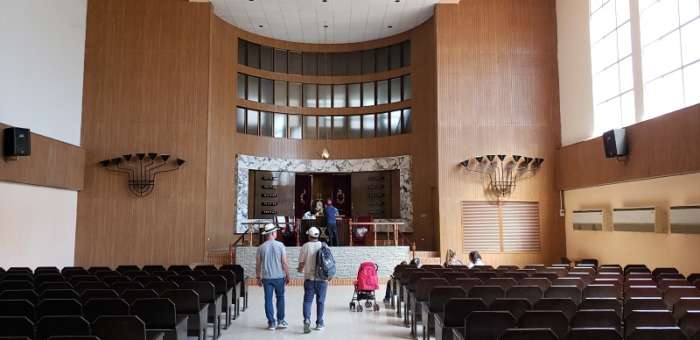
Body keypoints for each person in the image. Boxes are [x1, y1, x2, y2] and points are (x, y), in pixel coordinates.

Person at [256, 223, 290, 330]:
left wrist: (258, 277)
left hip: (266, 278)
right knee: (280, 298)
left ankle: (271, 323)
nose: (276, 233)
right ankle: (280, 321)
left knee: (268, 300)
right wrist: (288, 275)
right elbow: (284, 262)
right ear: (273, 233)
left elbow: (258, 264)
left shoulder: (261, 247)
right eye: (275, 232)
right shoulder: (280, 245)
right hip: (279, 277)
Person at [298, 227, 328, 333]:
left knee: (307, 301)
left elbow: (301, 263)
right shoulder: (324, 245)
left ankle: (306, 320)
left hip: (309, 279)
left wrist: (300, 270)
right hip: (322, 279)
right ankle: (319, 323)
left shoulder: (305, 246)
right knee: (320, 301)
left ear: (309, 236)